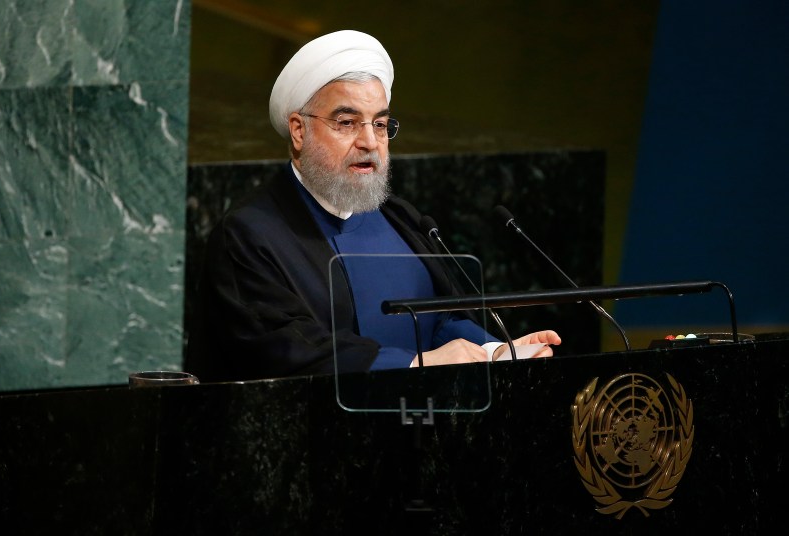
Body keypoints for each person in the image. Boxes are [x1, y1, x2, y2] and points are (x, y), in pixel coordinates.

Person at [187, 30, 561, 382]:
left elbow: (440, 319)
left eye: (380, 125)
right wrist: (413, 365)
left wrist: (494, 351)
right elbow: (286, 348)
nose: (370, 142)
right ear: (299, 131)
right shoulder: (249, 234)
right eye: (347, 122)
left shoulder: (400, 219)